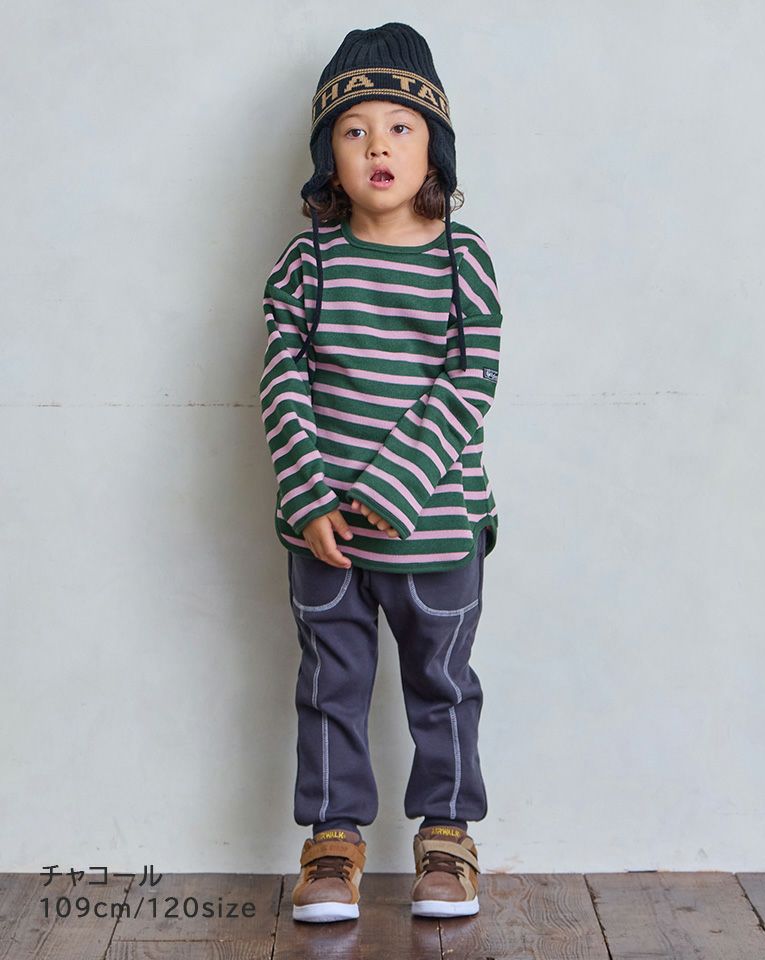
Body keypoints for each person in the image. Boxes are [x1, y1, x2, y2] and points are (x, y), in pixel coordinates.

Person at [258, 22, 503, 924]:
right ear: (329, 156)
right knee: (331, 686)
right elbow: (280, 377)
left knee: (442, 687)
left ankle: (447, 838)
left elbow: (470, 380)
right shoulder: (309, 261)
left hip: (436, 527)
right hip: (325, 533)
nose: (378, 148)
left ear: (434, 147)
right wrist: (309, 495)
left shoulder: (461, 259)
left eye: (400, 128)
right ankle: (333, 844)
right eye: (354, 131)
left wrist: (395, 487)